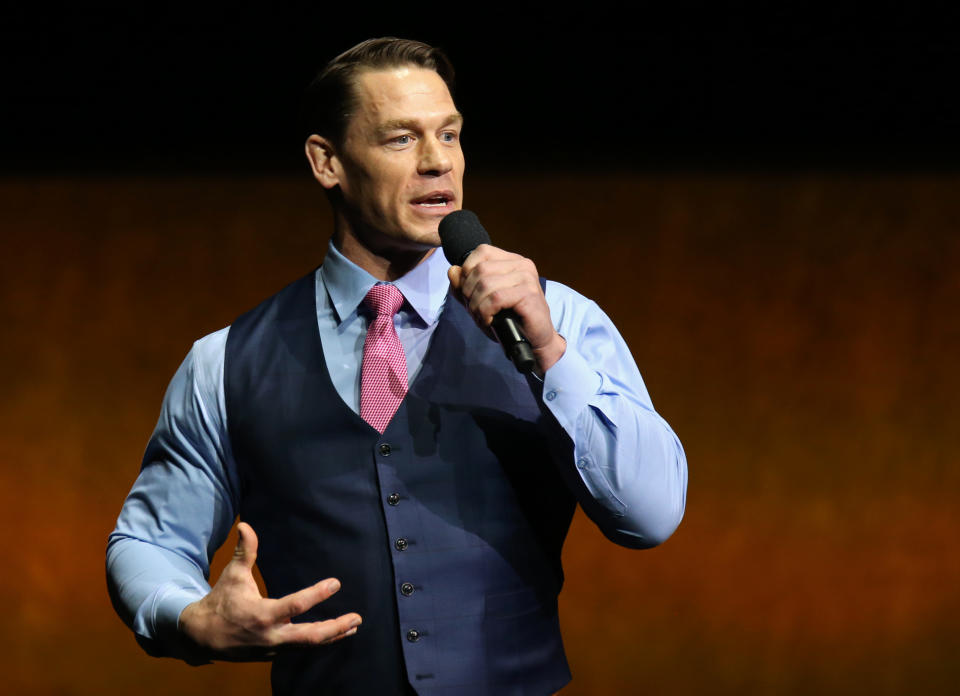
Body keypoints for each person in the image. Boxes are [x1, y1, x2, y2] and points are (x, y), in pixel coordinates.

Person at [107, 37, 688, 695]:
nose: (439, 162)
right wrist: (187, 617)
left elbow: (652, 513)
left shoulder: (561, 321)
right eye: (401, 140)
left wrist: (550, 355)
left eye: (450, 135)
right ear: (327, 162)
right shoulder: (225, 363)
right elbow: (147, 543)